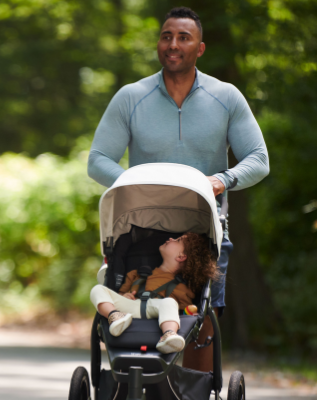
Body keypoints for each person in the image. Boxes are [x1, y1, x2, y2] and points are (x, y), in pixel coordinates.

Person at [87, 6, 269, 368]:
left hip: (203, 228)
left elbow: (258, 160)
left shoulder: (226, 97)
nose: (173, 44)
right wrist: (137, 184)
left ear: (199, 48)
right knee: (135, 310)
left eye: (183, 37)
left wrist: (221, 179)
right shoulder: (130, 97)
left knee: (200, 323)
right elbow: (97, 161)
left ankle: (195, 388)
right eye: (166, 36)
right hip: (143, 225)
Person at [90, 233, 218, 354]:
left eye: (177, 240)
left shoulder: (183, 288)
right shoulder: (137, 274)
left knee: (169, 302)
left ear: (181, 256)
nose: (171, 239)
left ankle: (169, 334)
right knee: (98, 289)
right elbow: (120, 293)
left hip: (157, 309)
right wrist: (124, 295)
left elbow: (183, 312)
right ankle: (114, 315)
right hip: (129, 309)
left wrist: (190, 313)